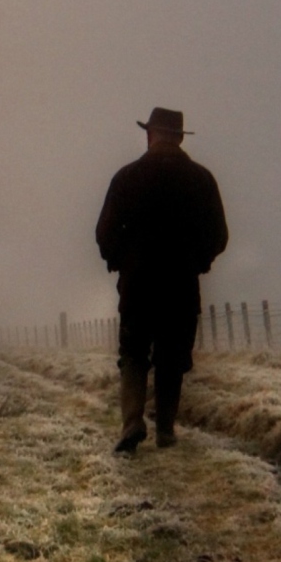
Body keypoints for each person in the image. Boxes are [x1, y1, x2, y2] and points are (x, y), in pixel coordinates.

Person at [95, 107, 228, 453]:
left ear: (150, 135)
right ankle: (166, 430)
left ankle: (132, 422)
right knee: (172, 357)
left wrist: (117, 260)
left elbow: (105, 232)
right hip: (181, 285)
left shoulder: (126, 178)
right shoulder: (201, 179)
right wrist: (199, 261)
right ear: (180, 138)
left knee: (134, 353)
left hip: (138, 284)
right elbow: (219, 235)